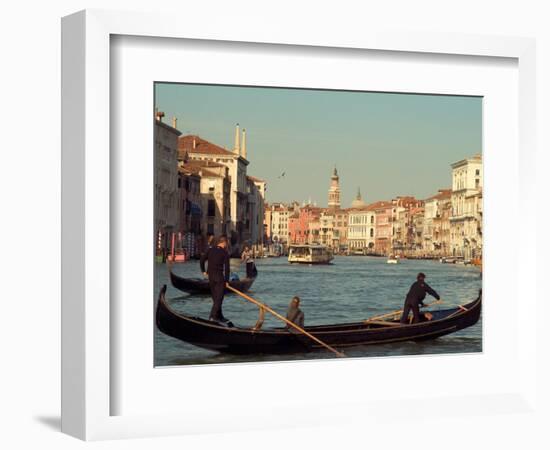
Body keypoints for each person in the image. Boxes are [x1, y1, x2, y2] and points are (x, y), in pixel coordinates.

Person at [200, 236, 231, 325]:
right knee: (219, 299)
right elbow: (227, 269)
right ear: (224, 243)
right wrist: (227, 281)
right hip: (219, 279)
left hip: (211, 278)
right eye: (227, 243)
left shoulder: (210, 250)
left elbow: (202, 260)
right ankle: (212, 318)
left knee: (215, 298)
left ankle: (219, 316)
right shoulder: (225, 253)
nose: (227, 245)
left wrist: (203, 271)